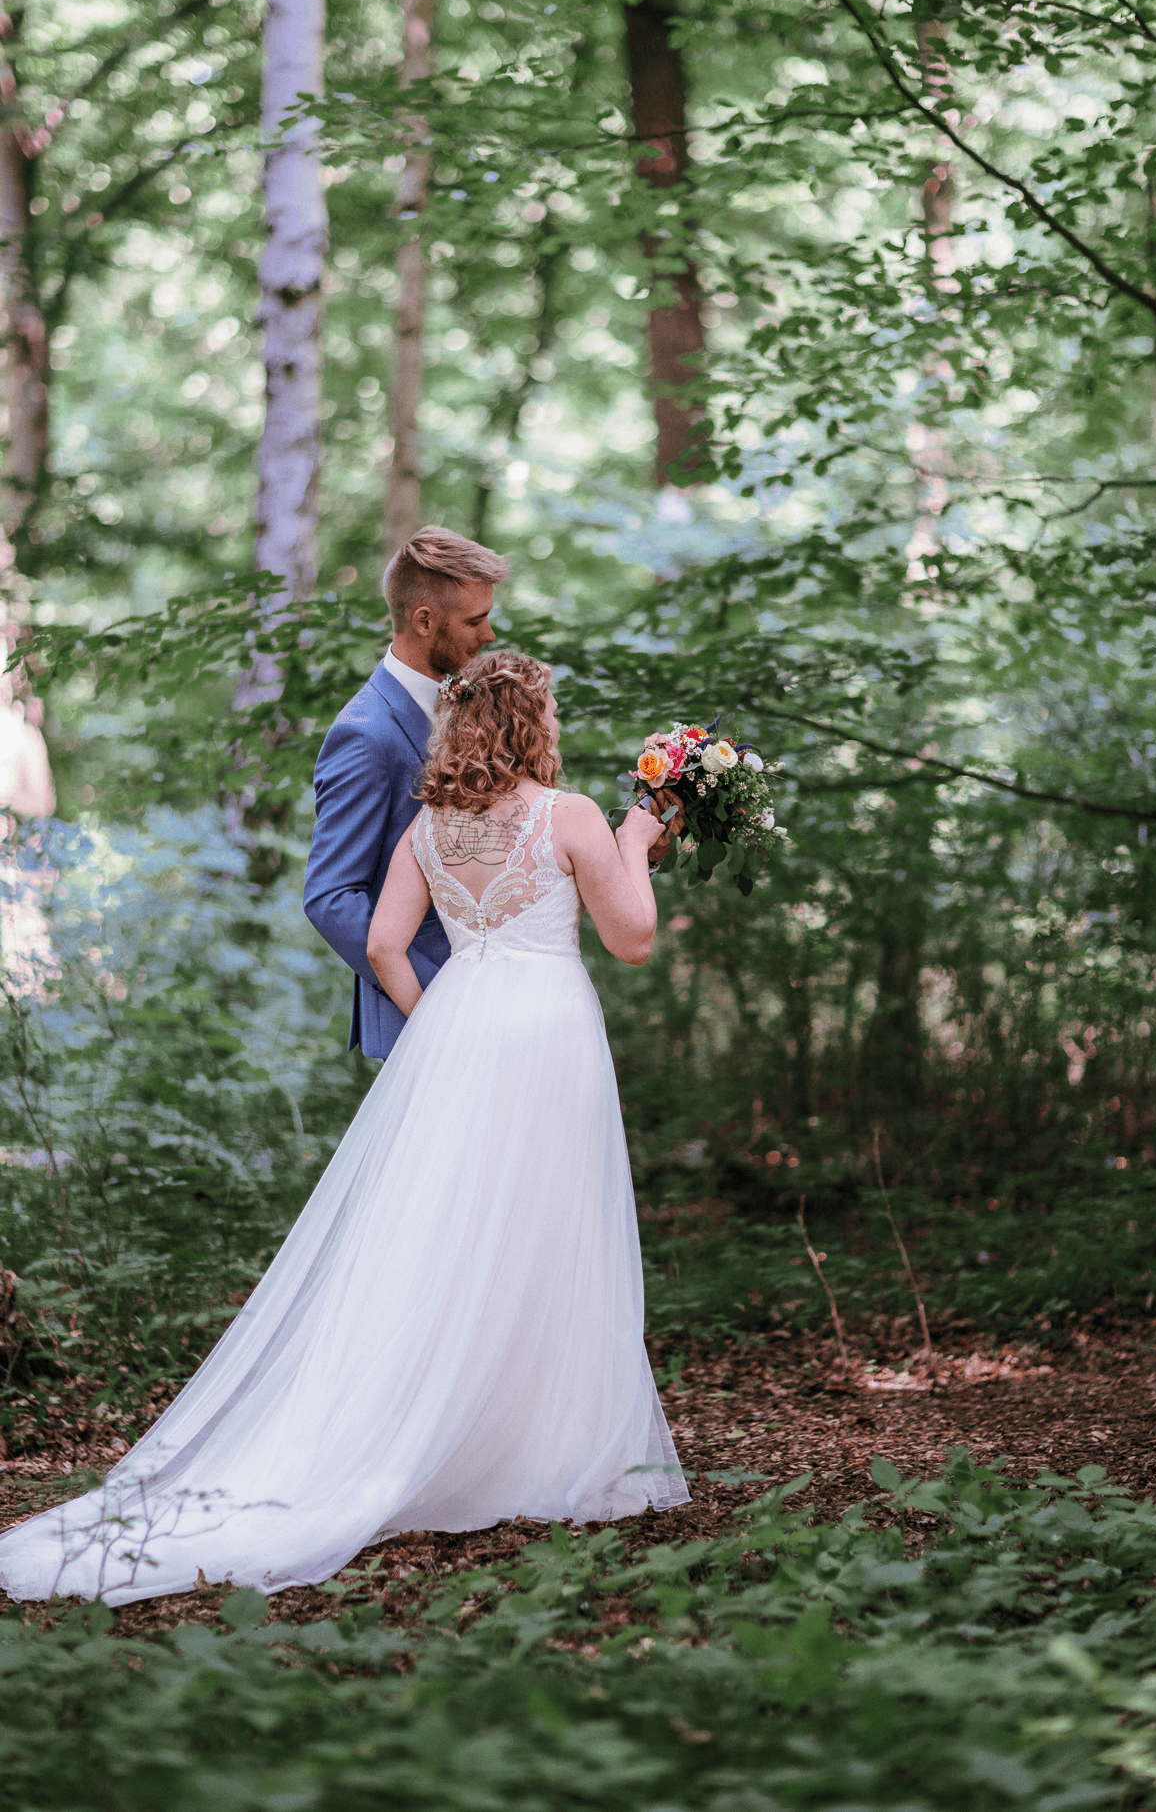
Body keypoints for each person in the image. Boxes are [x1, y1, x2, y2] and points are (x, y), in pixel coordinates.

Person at [0, 652, 689, 1604]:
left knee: (441, 1232)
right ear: (533, 722)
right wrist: (637, 832)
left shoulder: (427, 829)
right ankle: (538, 1447)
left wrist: (442, 1014)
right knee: (547, 1227)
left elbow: (378, 943)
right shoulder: (568, 814)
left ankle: (442, 1425)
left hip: (457, 1028)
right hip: (549, 1035)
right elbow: (633, 938)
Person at [304, 525, 508, 1060]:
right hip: (426, 1017)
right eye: (475, 620)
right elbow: (330, 897)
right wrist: (437, 999)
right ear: (423, 621)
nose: (489, 636)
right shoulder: (366, 734)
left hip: (496, 999)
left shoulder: (470, 704)